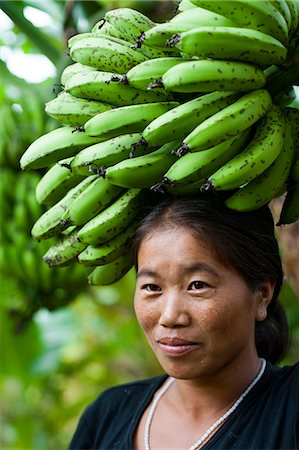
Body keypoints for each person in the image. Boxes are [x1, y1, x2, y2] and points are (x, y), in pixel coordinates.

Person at [68, 191, 298, 450]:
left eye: (197, 285)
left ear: (262, 295)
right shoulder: (105, 417)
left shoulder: (291, 407)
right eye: (152, 287)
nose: (169, 317)